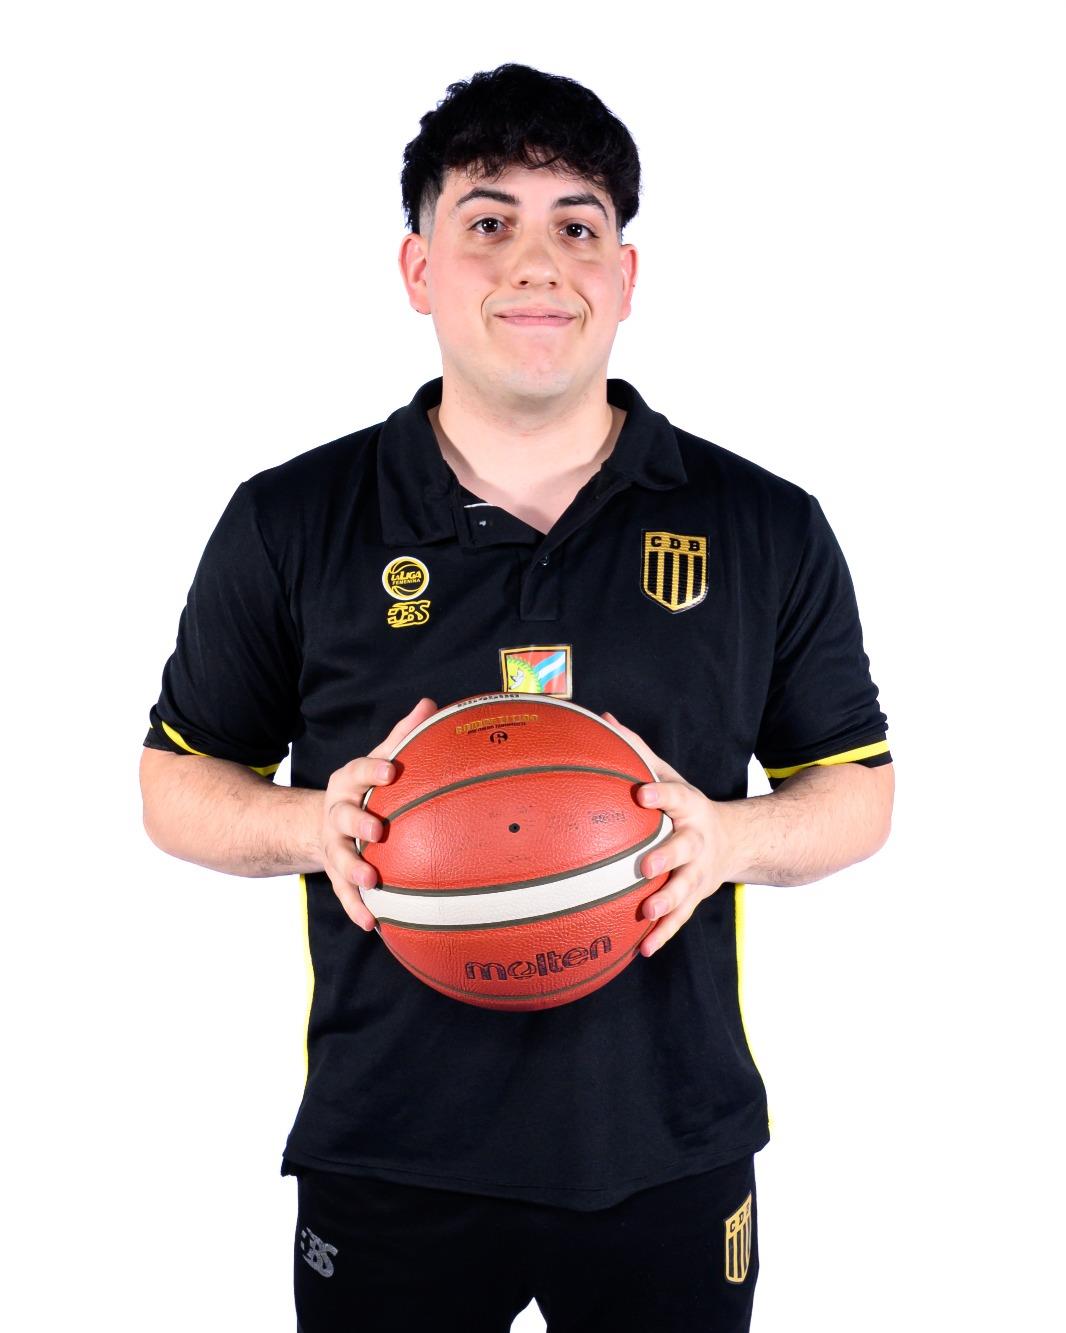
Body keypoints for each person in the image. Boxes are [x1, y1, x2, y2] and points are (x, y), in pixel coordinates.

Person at [140, 62, 894, 1333]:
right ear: (418, 268)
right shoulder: (293, 518)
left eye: (577, 227)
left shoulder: (762, 523)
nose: (537, 262)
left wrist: (729, 839)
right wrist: (312, 822)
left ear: (626, 276)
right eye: (487, 221)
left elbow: (858, 788)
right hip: (391, 1148)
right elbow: (173, 781)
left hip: (667, 1144)